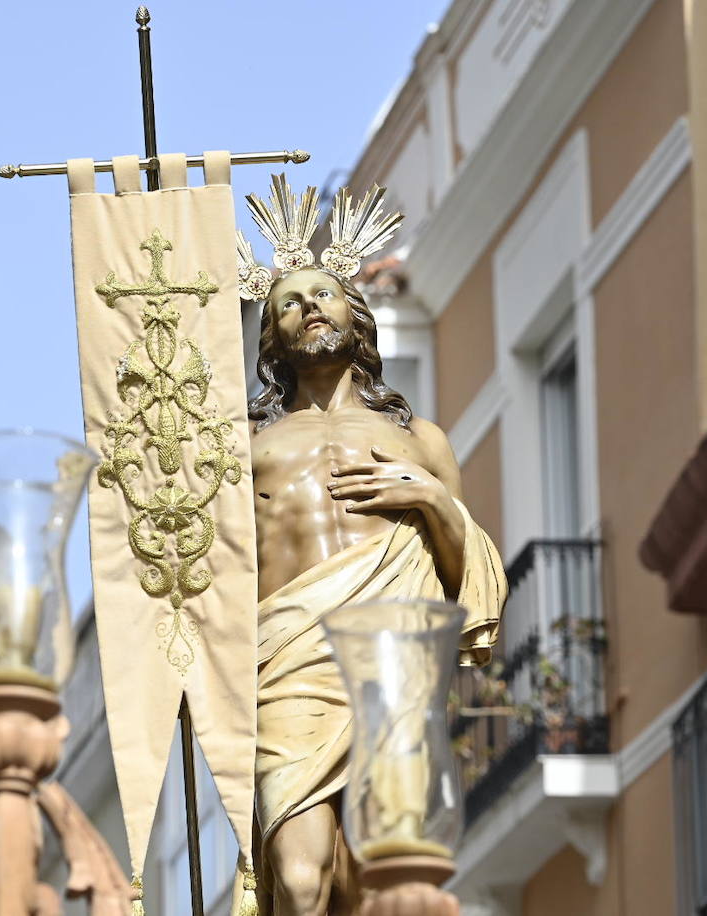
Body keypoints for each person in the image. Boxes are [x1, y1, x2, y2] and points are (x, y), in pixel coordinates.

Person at [246, 263, 506, 915]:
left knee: (376, 881)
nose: (308, 308)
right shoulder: (249, 449)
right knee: (303, 882)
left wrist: (433, 502)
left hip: (388, 667)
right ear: (273, 338)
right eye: (288, 304)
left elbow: (464, 574)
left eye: (323, 295)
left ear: (354, 315)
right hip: (288, 667)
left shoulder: (419, 442)